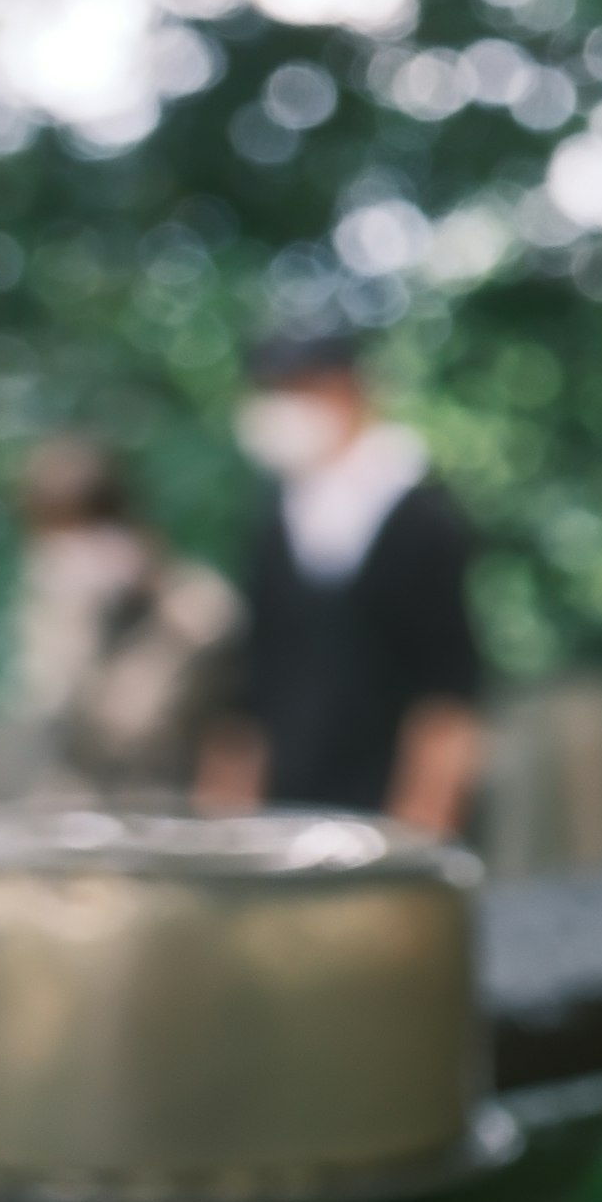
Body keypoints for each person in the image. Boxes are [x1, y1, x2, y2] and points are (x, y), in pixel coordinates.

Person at [197, 331, 487, 833]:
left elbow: (448, 692)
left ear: (351, 388)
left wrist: (421, 826)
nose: (281, 407)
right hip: (287, 815)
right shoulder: (275, 519)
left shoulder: (420, 516)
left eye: (299, 387)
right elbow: (251, 683)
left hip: (388, 813)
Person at [9, 432, 246, 802]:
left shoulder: (193, 608)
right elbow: (48, 709)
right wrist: (72, 622)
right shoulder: (56, 603)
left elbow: (137, 725)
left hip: (165, 812)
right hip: (71, 810)